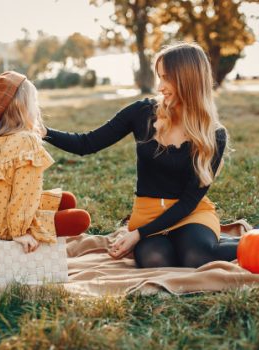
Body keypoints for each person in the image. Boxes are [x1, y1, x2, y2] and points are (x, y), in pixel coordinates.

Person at [41, 43, 239, 268]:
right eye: (159, 77)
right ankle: (194, 243)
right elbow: (87, 143)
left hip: (191, 214)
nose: (160, 86)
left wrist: (137, 235)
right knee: (156, 261)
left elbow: (189, 201)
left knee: (197, 257)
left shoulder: (213, 134)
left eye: (167, 78)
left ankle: (257, 242)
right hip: (147, 215)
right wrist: (44, 132)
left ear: (188, 80)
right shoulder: (141, 113)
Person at [0, 71, 90, 254]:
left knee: (67, 199)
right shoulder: (26, 141)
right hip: (12, 226)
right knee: (81, 219)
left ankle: (27, 226)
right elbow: (24, 191)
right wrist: (19, 232)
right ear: (21, 108)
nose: (37, 108)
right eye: (35, 103)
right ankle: (32, 236)